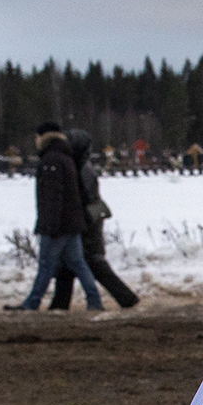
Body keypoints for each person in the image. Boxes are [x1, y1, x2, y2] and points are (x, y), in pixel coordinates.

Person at [6, 121, 104, 312]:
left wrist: (49, 225)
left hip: (58, 225)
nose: (35, 141)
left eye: (36, 137)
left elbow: (52, 197)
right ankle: (94, 301)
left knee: (46, 266)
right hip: (72, 222)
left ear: (43, 137)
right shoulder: (65, 156)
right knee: (78, 264)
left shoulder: (51, 160)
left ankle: (32, 303)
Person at [49, 128, 139, 310]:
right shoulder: (80, 167)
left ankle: (126, 298)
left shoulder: (81, 169)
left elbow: (84, 199)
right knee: (72, 263)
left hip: (86, 222)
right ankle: (60, 302)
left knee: (91, 262)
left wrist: (77, 221)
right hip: (88, 220)